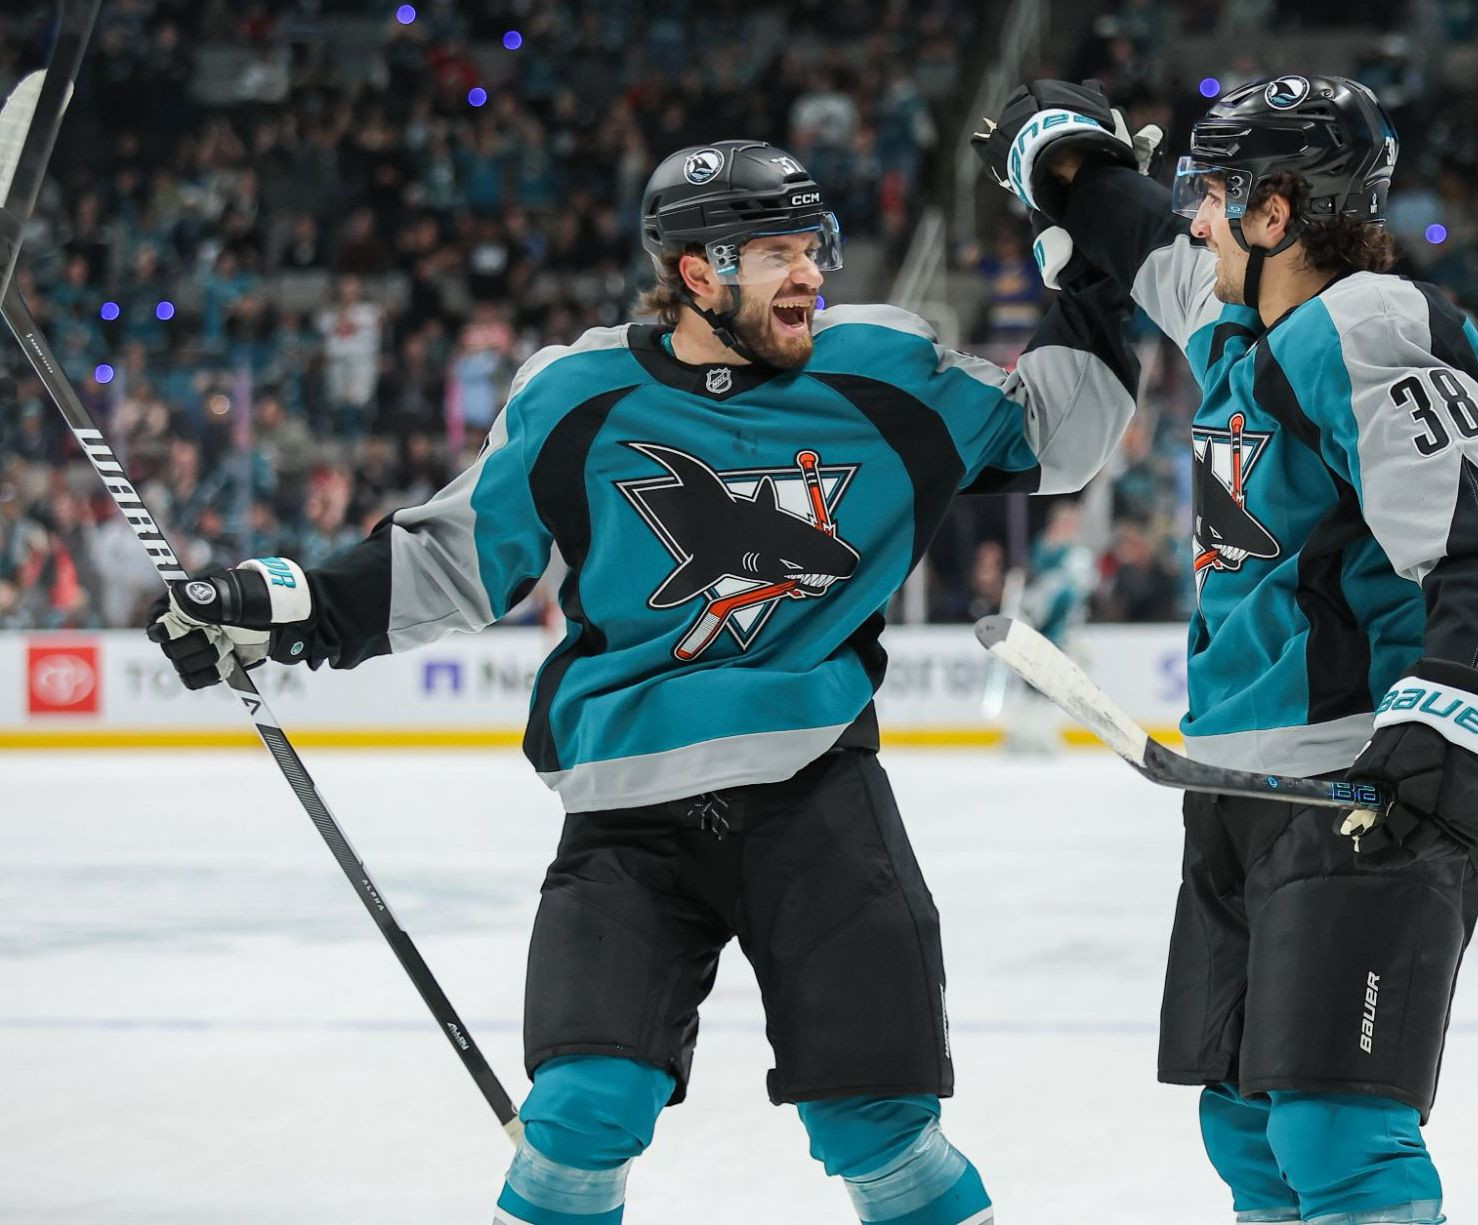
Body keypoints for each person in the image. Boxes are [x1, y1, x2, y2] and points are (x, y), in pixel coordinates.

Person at [145, 140, 1142, 1225]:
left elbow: (1061, 436)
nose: (811, 273)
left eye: (812, 246)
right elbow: (453, 557)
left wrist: (1091, 250)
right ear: (699, 273)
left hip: (815, 796)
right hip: (627, 815)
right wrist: (278, 603)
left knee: (878, 1126)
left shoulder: (884, 370)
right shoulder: (576, 394)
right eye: (777, 253)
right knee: (579, 1118)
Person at [976, 78, 1478, 1224]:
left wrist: (1447, 719)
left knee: (1335, 1132)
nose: (1194, 217)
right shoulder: (1238, 319)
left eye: (1213, 195)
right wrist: (1068, 170)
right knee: (1246, 1128)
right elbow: (1142, 239)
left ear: (1275, 211)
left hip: (1358, 781)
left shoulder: (1367, 327)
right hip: (1241, 778)